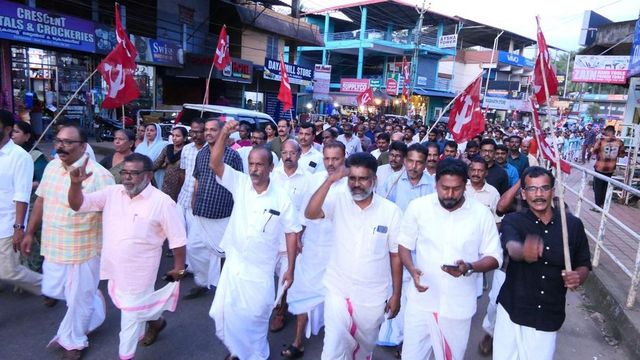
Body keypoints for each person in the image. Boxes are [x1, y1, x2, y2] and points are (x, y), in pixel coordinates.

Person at [67, 153, 187, 360]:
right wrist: (75, 184)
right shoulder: (112, 193)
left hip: (140, 273)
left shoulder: (163, 202)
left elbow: (178, 239)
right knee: (137, 307)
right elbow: (78, 205)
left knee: (130, 316)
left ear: (148, 176)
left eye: (134, 173)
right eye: (125, 172)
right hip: (114, 268)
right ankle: (156, 322)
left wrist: (179, 268)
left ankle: (126, 355)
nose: (127, 177)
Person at [208, 120, 301, 359]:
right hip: (235, 263)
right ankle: (235, 350)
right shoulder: (239, 183)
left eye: (260, 164)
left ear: (271, 168)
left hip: (261, 269)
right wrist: (223, 135)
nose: (254, 169)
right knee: (223, 311)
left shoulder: (281, 198)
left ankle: (255, 354)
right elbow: (215, 163)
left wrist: (290, 268)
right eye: (251, 164)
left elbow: (292, 232)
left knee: (256, 317)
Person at [21, 124, 114, 360]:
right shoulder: (52, 167)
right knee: (53, 288)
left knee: (78, 298)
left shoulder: (101, 176)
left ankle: (75, 342)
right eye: (58, 140)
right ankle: (92, 297)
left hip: (84, 248)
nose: (61, 146)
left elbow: (111, 215)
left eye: (68, 142)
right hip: (53, 244)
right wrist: (29, 232)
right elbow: (40, 201)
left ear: (83, 146)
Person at [398, 158, 502, 360]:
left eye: (456, 189)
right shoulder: (418, 207)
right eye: (444, 188)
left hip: (458, 306)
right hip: (421, 302)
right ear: (436, 183)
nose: (450, 194)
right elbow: (404, 244)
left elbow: (494, 257)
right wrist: (411, 269)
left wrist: (469, 267)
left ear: (466, 185)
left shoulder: (480, 214)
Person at [305, 152, 403, 359]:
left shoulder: (391, 212)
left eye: (362, 179)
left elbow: (396, 256)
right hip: (338, 289)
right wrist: (330, 180)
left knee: (363, 349)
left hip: (373, 296)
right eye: (352, 178)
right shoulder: (338, 200)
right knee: (332, 348)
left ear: (374, 180)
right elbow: (311, 213)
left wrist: (396, 295)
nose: (356, 184)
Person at [493, 166, 592, 360]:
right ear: (523, 193)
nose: (538, 194)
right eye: (532, 189)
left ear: (552, 192)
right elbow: (511, 246)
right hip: (512, 310)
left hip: (548, 314)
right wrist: (523, 251)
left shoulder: (573, 225)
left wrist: (578, 276)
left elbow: (584, 263)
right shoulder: (513, 220)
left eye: (544, 188)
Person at [283, 141, 347, 358]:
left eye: (335, 159)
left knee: (337, 304)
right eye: (327, 158)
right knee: (303, 293)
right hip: (313, 247)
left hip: (340, 252)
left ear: (344, 157)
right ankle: (298, 341)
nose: (330, 163)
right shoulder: (316, 179)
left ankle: (336, 348)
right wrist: (299, 237)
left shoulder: (353, 182)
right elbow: (305, 213)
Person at [377, 143, 435, 355]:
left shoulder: (433, 185)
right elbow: (382, 212)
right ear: (404, 160)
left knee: (415, 295)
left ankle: (409, 339)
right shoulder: (392, 182)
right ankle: (391, 333)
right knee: (394, 288)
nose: (414, 166)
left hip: (421, 249)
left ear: (426, 162)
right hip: (395, 247)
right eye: (410, 161)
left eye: (420, 162)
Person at [185, 119, 243, 299]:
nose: (208, 133)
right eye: (206, 130)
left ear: (222, 132)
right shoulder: (201, 154)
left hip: (223, 213)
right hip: (201, 211)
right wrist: (193, 201)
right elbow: (197, 179)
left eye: (213, 130)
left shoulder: (233, 156)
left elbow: (239, 185)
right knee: (193, 248)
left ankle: (224, 290)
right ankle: (203, 280)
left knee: (224, 254)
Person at [269, 139, 311, 333]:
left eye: (292, 153)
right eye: (284, 153)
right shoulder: (273, 175)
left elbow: (305, 211)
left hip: (293, 237)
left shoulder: (307, 179)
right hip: (270, 235)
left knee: (287, 275)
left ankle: (280, 310)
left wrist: (300, 236)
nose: (288, 156)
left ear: (299, 155)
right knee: (269, 274)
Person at [0, 111, 42, 298]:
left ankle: (52, 287)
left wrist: (19, 227)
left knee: (9, 271)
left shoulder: (19, 157)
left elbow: (22, 195)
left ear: (7, 129)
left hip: (7, 225)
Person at [176, 119, 206, 237]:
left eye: (199, 132)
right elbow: (182, 173)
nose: (195, 135)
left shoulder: (211, 151)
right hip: (183, 198)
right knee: (179, 235)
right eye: (193, 132)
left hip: (198, 202)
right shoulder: (186, 149)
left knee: (193, 239)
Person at [590, 125, 625, 211]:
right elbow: (622, 154)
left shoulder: (601, 140)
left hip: (600, 167)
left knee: (597, 187)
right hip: (610, 168)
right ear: (614, 132)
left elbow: (594, 151)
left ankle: (598, 206)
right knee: (605, 187)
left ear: (608, 131)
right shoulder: (620, 142)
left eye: (605, 131)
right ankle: (602, 205)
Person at [153, 126, 187, 202]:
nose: (174, 138)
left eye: (178, 136)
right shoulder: (168, 148)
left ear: (184, 138)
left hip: (181, 185)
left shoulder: (187, 150)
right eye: (173, 135)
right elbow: (157, 163)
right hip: (167, 184)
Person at [12, 120, 49, 190]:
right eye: (11, 131)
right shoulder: (6, 152)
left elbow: (43, 180)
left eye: (16, 132)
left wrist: (22, 187)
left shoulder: (35, 155)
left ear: (27, 136)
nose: (11, 135)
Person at [135, 123, 167, 189]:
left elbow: (165, 163)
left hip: (157, 175)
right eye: (147, 130)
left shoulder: (163, 145)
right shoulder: (140, 146)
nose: (149, 132)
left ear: (157, 133)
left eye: (152, 130)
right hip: (140, 175)